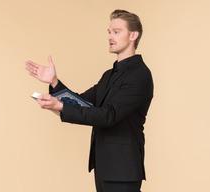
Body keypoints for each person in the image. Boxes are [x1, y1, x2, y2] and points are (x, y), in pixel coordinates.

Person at [25, 9, 153, 192]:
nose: (110, 36)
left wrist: (60, 105)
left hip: (123, 170)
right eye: (109, 32)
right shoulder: (109, 75)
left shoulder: (140, 75)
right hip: (104, 166)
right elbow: (83, 103)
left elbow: (108, 116)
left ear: (133, 35)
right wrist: (54, 83)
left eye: (117, 32)